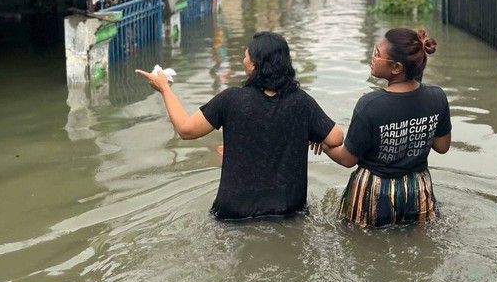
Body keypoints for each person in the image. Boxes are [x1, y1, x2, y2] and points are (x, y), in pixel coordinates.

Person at [136, 31, 343, 220]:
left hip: (233, 214)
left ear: (254, 65)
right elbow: (336, 138)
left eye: (245, 56)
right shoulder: (302, 103)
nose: (243, 60)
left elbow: (185, 129)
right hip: (288, 212)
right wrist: (316, 136)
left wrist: (164, 89)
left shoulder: (230, 100)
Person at [318, 27, 451, 228]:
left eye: (377, 54)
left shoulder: (370, 105)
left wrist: (325, 144)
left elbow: (348, 159)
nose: (372, 58)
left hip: (374, 192)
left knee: (362, 246)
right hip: (418, 189)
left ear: (397, 67)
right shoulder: (437, 96)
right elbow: (442, 147)